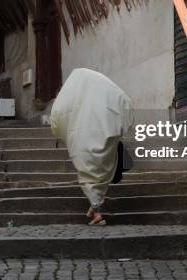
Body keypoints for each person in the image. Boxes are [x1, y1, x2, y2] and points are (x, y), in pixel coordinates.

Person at [50, 68, 134, 226]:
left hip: (83, 144)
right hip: (98, 140)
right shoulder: (96, 96)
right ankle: (94, 207)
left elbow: (57, 117)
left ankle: (97, 214)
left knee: (90, 176)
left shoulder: (69, 99)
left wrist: (61, 133)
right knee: (98, 175)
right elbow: (119, 100)